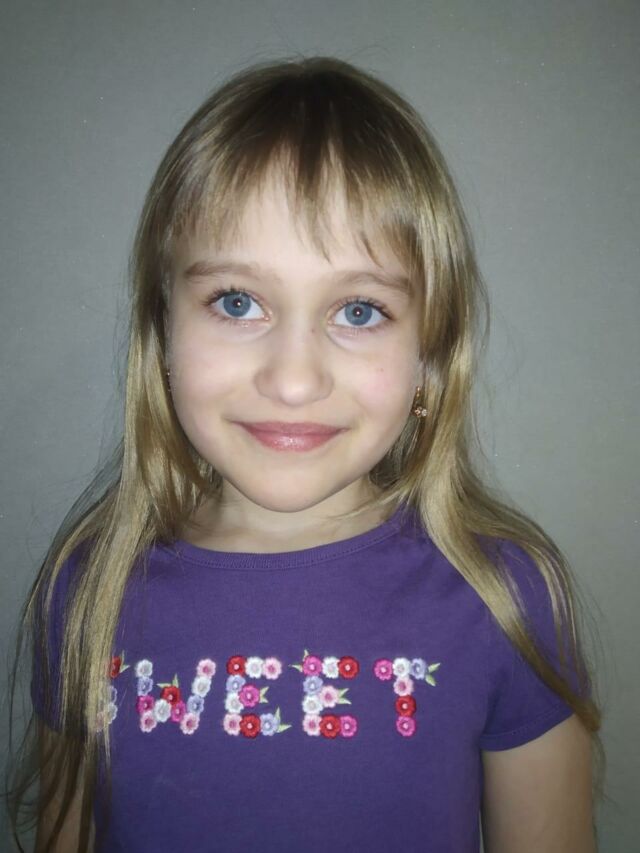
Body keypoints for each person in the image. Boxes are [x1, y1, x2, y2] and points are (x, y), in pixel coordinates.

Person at [6, 56, 602, 852]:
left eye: (358, 310)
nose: (293, 380)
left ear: (428, 356)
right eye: (238, 301)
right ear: (164, 332)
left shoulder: (505, 597)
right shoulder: (88, 590)